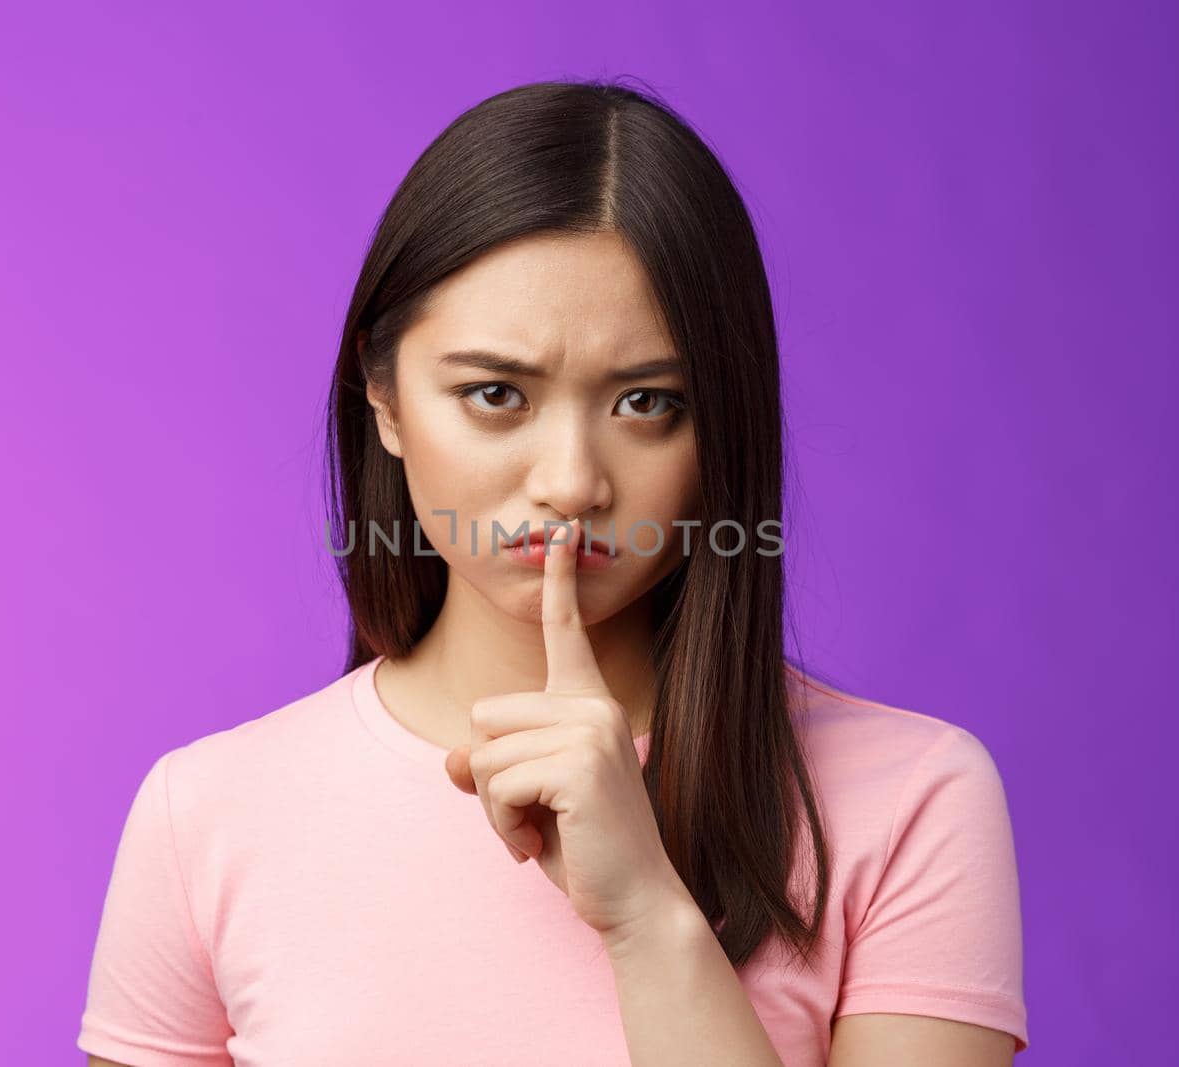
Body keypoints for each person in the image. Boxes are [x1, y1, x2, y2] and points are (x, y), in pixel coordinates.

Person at [77, 78, 1028, 1066]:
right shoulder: (211, 813)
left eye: (648, 403)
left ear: (723, 422)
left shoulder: (911, 797)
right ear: (385, 396)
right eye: (495, 393)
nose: (571, 481)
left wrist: (649, 919)